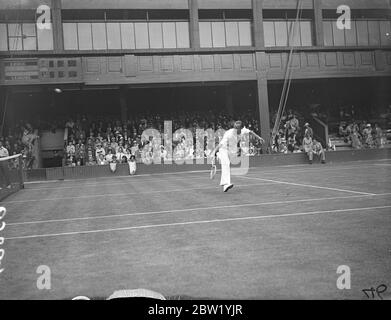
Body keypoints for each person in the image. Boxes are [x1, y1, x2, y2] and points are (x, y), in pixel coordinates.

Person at [210, 120, 264, 192]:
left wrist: (259, 138)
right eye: (234, 127)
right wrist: (214, 151)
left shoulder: (243, 130)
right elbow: (221, 144)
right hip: (224, 149)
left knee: (227, 163)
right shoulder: (228, 133)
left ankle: (225, 185)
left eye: (237, 128)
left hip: (231, 151)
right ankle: (226, 184)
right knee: (226, 164)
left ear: (241, 128)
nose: (235, 129)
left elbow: (250, 132)